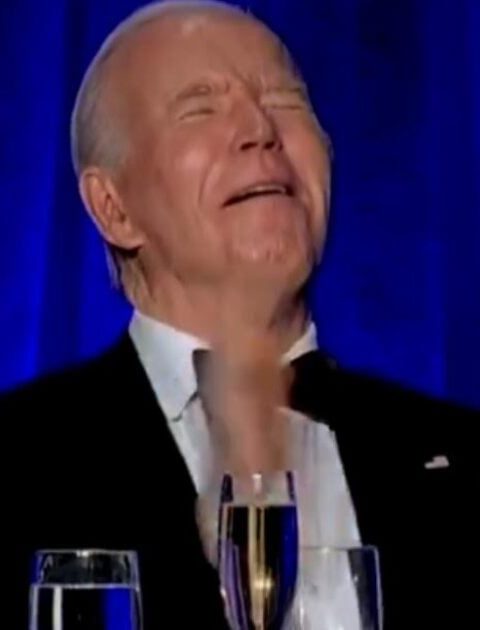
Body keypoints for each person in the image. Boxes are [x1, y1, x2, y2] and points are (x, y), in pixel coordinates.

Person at [1, 2, 477, 629]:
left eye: (285, 100)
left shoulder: (462, 459)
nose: (259, 128)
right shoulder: (16, 464)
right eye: (200, 108)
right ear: (114, 207)